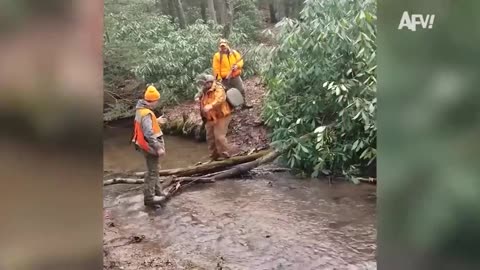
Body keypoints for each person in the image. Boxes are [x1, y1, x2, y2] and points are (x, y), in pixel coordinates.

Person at [131, 85, 168, 207]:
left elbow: (145, 126)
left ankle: (158, 192)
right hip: (149, 146)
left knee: (155, 169)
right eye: (157, 100)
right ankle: (149, 198)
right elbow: (148, 132)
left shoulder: (140, 110)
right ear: (153, 100)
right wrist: (158, 147)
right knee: (153, 172)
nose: (158, 103)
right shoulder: (146, 113)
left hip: (142, 144)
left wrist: (156, 121)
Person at [198, 74, 233, 161]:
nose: (203, 85)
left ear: (210, 82)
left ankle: (227, 155)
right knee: (210, 138)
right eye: (203, 84)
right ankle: (214, 157)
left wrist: (211, 106)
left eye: (205, 83)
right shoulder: (203, 91)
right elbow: (201, 100)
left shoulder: (218, 88)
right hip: (210, 118)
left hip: (221, 116)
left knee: (219, 137)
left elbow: (220, 99)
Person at [212, 38, 253, 109]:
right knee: (228, 93)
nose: (223, 48)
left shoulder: (234, 53)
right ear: (219, 47)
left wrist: (237, 66)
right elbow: (216, 69)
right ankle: (232, 107)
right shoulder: (217, 56)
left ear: (227, 45)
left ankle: (244, 104)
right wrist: (218, 79)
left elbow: (241, 61)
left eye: (224, 46)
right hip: (225, 79)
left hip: (235, 76)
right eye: (222, 46)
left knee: (241, 89)